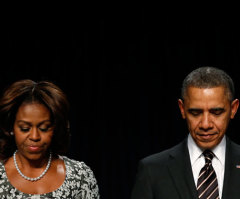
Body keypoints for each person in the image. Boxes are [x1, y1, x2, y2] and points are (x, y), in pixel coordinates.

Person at [131, 67, 240, 199]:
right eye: (195, 113)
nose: (205, 124)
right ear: (182, 109)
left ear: (233, 109)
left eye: (216, 112)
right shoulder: (152, 171)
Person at [0, 79, 100, 198]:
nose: (34, 137)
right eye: (25, 128)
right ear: (11, 128)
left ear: (55, 128)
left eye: (44, 128)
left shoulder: (80, 177)